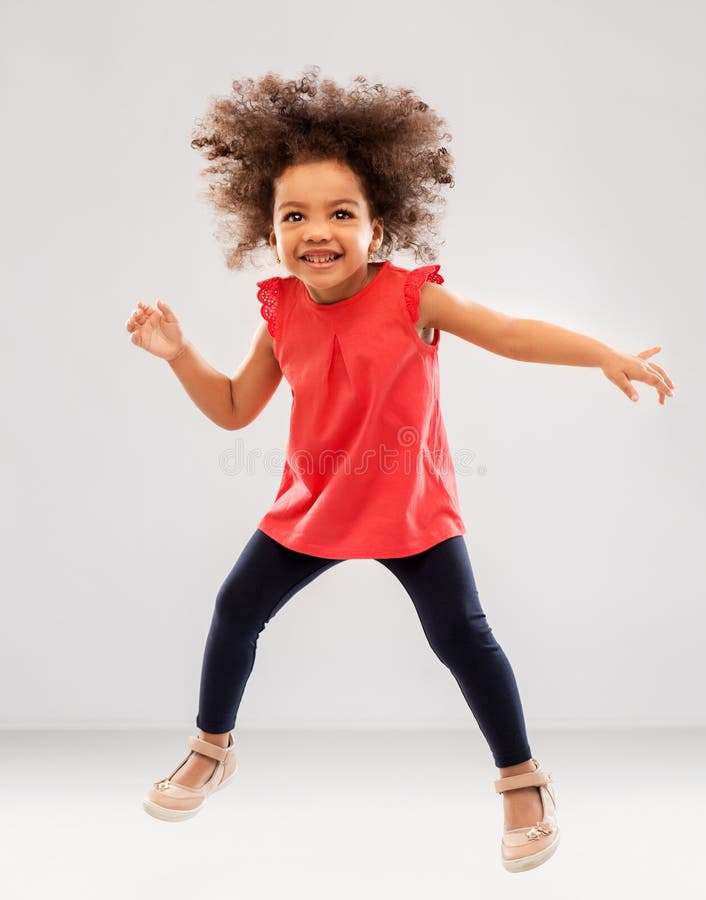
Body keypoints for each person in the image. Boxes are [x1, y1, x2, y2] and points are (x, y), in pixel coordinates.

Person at [126, 66, 674, 870]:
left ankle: (522, 776)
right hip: (313, 508)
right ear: (268, 231)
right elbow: (237, 407)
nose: (318, 230)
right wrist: (178, 355)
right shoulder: (279, 309)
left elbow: (511, 332)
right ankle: (212, 746)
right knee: (235, 608)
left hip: (410, 508)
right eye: (296, 215)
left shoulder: (413, 297)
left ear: (376, 230)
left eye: (340, 213)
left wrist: (601, 355)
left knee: (462, 637)